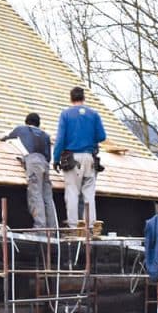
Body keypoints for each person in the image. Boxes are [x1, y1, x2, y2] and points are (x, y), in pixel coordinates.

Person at [53, 86, 107, 231]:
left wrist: (56, 158)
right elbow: (102, 136)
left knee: (72, 192)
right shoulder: (94, 114)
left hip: (72, 158)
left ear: (71, 98)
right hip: (90, 157)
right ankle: (90, 226)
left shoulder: (66, 114)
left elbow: (60, 140)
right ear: (84, 98)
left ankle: (73, 226)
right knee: (89, 193)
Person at [0, 113, 58, 229]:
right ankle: (52, 229)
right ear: (38, 124)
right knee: (47, 197)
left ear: (26, 121)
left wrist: (0, 137)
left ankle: (40, 228)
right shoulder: (45, 135)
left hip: (33, 161)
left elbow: (4, 136)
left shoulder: (21, 129)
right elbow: (49, 157)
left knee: (35, 195)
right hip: (45, 164)